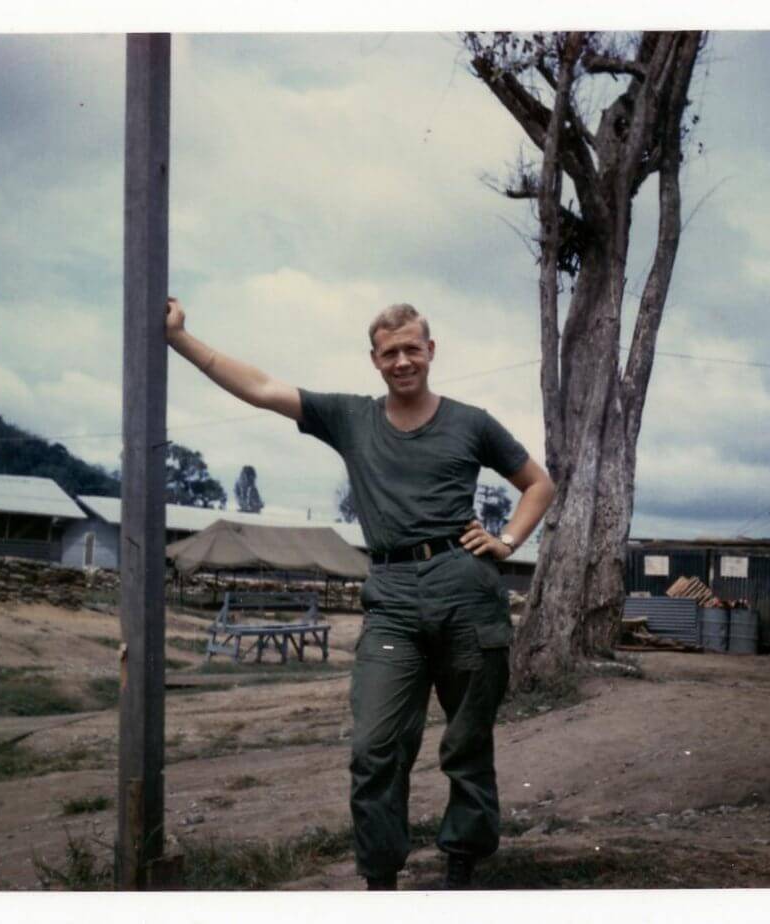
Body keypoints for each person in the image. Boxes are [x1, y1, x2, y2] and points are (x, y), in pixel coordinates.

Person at [165, 297, 555, 890]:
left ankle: (461, 869)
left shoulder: (471, 422)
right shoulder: (351, 418)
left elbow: (538, 483)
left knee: (467, 742)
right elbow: (264, 388)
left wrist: (506, 539)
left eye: (412, 349)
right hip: (392, 597)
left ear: (431, 350)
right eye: (390, 352)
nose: (403, 361)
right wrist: (180, 341)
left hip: (465, 591)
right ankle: (380, 881)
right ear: (374, 359)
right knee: (375, 747)